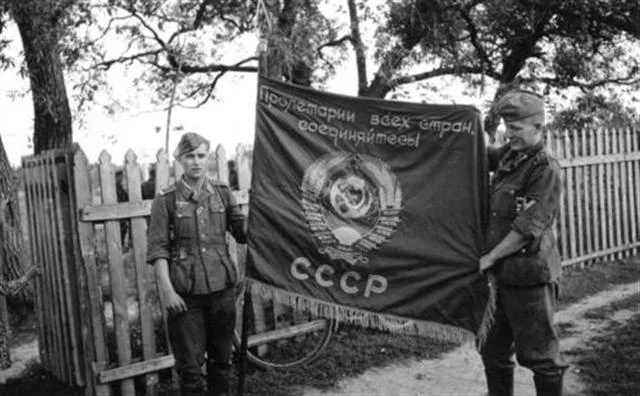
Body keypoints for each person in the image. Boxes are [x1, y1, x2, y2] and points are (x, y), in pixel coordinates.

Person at [478, 90, 567, 396]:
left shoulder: (545, 168)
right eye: (506, 127)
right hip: (501, 279)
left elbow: (527, 228)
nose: (508, 134)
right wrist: (465, 126)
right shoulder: (510, 155)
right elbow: (480, 154)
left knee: (540, 357)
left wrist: (491, 257)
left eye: (515, 129)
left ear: (538, 127)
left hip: (529, 275)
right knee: (492, 350)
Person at [147, 132, 247, 396]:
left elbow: (243, 233)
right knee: (190, 371)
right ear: (179, 159)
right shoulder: (165, 199)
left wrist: (261, 210)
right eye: (190, 156)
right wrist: (167, 291)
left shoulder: (223, 193)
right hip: (185, 298)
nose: (196, 162)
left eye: (201, 155)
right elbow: (158, 249)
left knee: (221, 364)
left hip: (222, 293)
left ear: (208, 158)